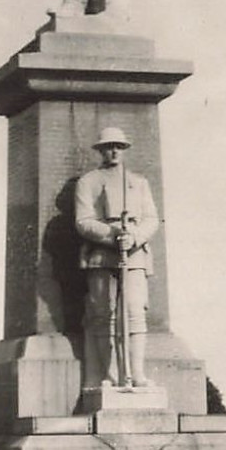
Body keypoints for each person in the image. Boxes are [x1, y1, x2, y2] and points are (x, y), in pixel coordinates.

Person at [74, 126, 158, 388]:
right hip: (101, 254)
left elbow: (152, 218)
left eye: (118, 147)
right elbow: (83, 221)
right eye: (108, 147)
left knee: (134, 312)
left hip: (134, 254)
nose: (114, 151)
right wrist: (111, 234)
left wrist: (134, 237)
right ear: (100, 150)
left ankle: (137, 373)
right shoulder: (88, 182)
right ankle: (108, 375)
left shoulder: (139, 183)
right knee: (104, 314)